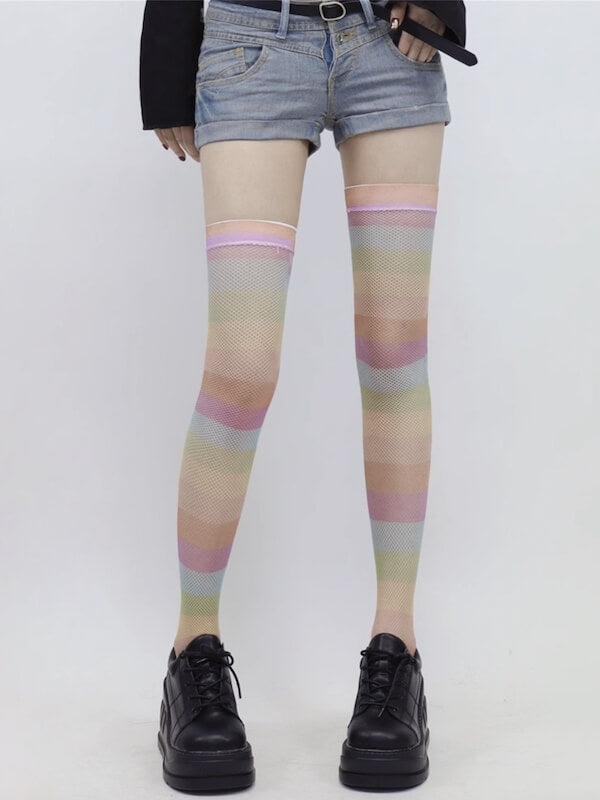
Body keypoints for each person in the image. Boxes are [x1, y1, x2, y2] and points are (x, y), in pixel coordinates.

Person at [139, 0, 477, 792]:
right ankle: (192, 653)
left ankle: (397, 654)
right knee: (241, 368)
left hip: (390, 48)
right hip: (249, 45)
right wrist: (167, 62)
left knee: (394, 350)